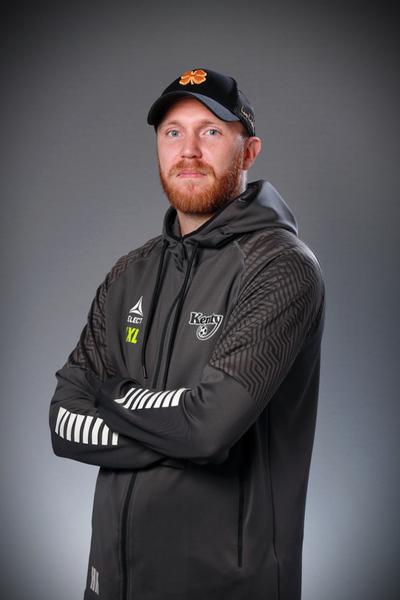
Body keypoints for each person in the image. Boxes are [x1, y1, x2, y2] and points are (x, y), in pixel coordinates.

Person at [49, 68, 325, 600]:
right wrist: (179, 427)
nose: (189, 150)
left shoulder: (281, 268)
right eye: (173, 132)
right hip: (114, 579)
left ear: (248, 152)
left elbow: (206, 429)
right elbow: (63, 421)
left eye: (211, 131)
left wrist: (111, 395)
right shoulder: (129, 273)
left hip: (226, 586)